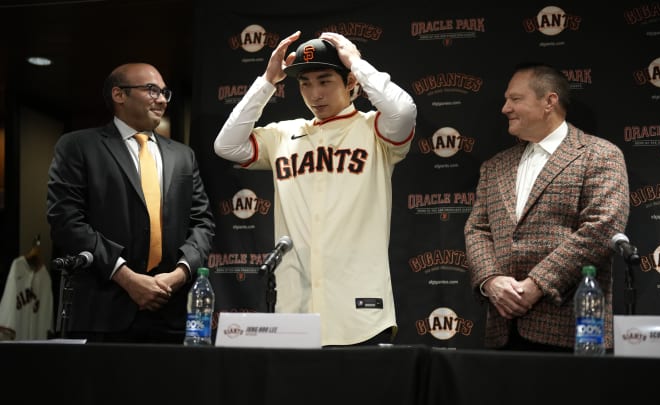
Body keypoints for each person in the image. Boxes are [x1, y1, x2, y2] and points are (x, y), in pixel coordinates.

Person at [214, 31, 416, 346]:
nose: (314, 94)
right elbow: (226, 145)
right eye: (305, 83)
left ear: (350, 82)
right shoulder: (283, 135)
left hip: (359, 313)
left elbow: (403, 111)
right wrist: (267, 81)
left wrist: (356, 62)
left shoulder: (374, 129)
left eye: (325, 81)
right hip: (295, 312)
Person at [464, 62, 630, 352]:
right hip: (502, 331)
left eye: (515, 99)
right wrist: (490, 281)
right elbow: (477, 229)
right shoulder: (495, 166)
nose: (505, 108)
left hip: (569, 331)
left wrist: (537, 285)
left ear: (549, 102)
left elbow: (603, 227)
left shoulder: (600, 155)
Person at [46, 63, 215, 344]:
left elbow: (203, 223)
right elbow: (65, 221)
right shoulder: (78, 146)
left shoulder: (184, 156)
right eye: (151, 90)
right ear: (119, 95)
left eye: (164, 92)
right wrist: (126, 277)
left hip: (171, 310)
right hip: (103, 313)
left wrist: (178, 275)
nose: (161, 99)